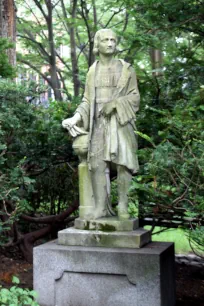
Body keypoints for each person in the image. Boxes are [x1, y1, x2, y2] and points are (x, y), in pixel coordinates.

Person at [62, 29, 140, 220]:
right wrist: (75, 118)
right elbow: (87, 101)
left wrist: (114, 104)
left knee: (124, 164)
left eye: (113, 40)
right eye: (105, 40)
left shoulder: (126, 69)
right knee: (96, 164)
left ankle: (123, 205)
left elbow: (135, 97)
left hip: (121, 122)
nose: (110, 43)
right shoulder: (92, 71)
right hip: (98, 124)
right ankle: (100, 207)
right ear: (98, 44)